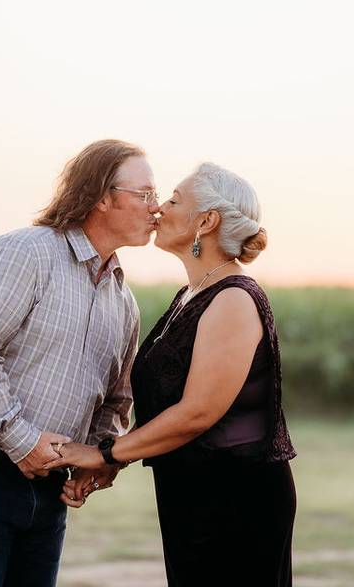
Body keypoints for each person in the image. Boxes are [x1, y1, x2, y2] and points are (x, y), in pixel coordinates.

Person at [0, 139, 159, 587]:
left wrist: (101, 455)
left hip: (48, 491)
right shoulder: (24, 253)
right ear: (103, 196)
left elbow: (116, 401)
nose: (156, 208)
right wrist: (22, 441)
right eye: (145, 194)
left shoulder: (124, 301)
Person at [49, 162, 297, 587]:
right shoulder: (191, 296)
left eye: (174, 200)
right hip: (191, 495)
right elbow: (166, 407)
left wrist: (105, 454)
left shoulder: (234, 299)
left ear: (206, 221)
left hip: (236, 501)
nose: (159, 209)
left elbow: (198, 413)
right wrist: (116, 461)